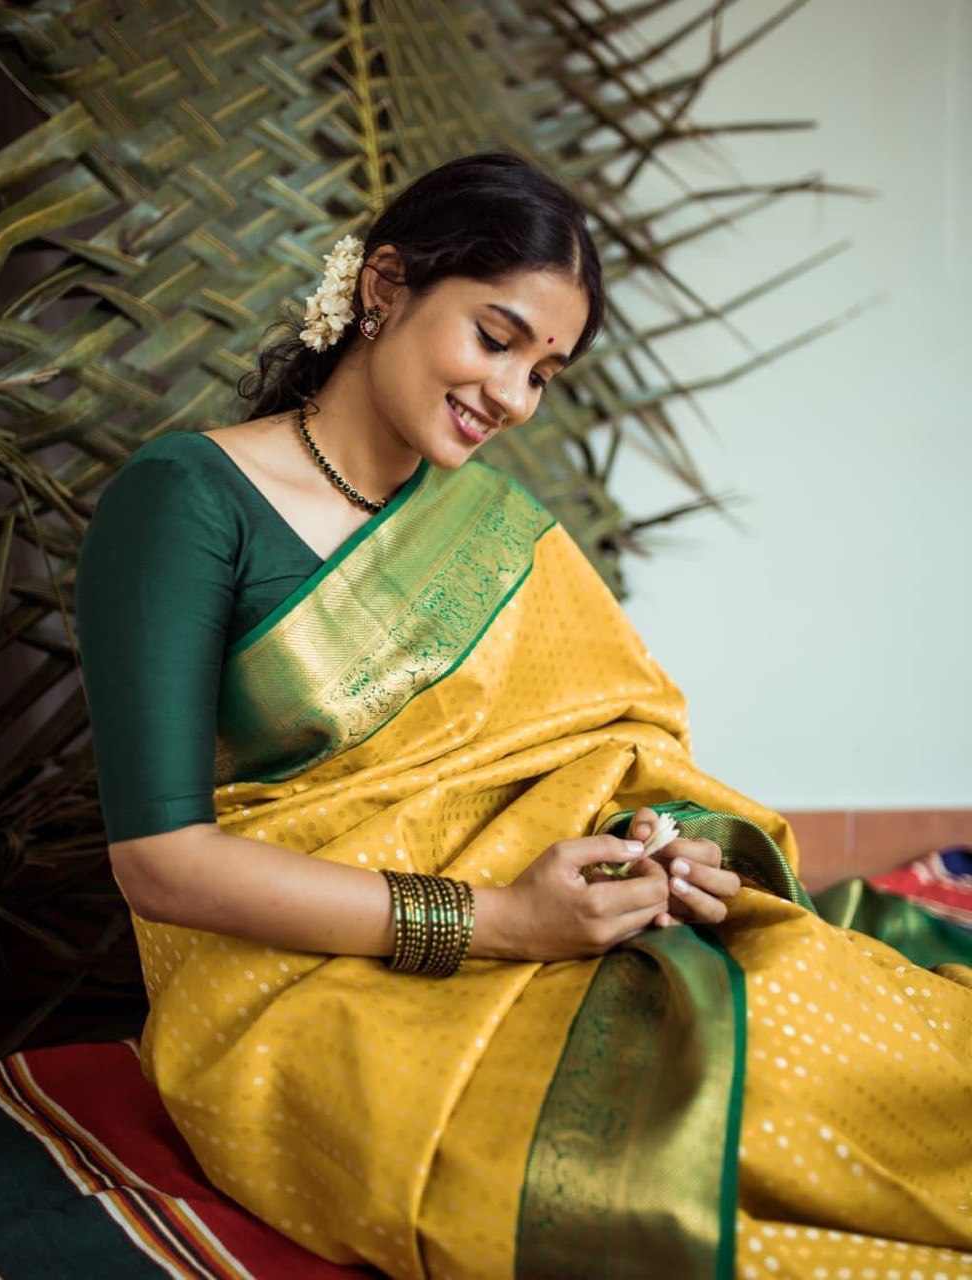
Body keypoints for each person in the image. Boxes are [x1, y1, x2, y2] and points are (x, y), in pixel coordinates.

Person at [75, 151, 972, 1280]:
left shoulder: (490, 522)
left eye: (543, 370)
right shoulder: (188, 501)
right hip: (303, 994)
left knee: (847, 1034)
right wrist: (496, 920)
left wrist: (666, 848)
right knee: (644, 1167)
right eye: (495, 339)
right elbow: (161, 861)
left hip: (548, 919)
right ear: (383, 287)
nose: (510, 396)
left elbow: (612, 741)